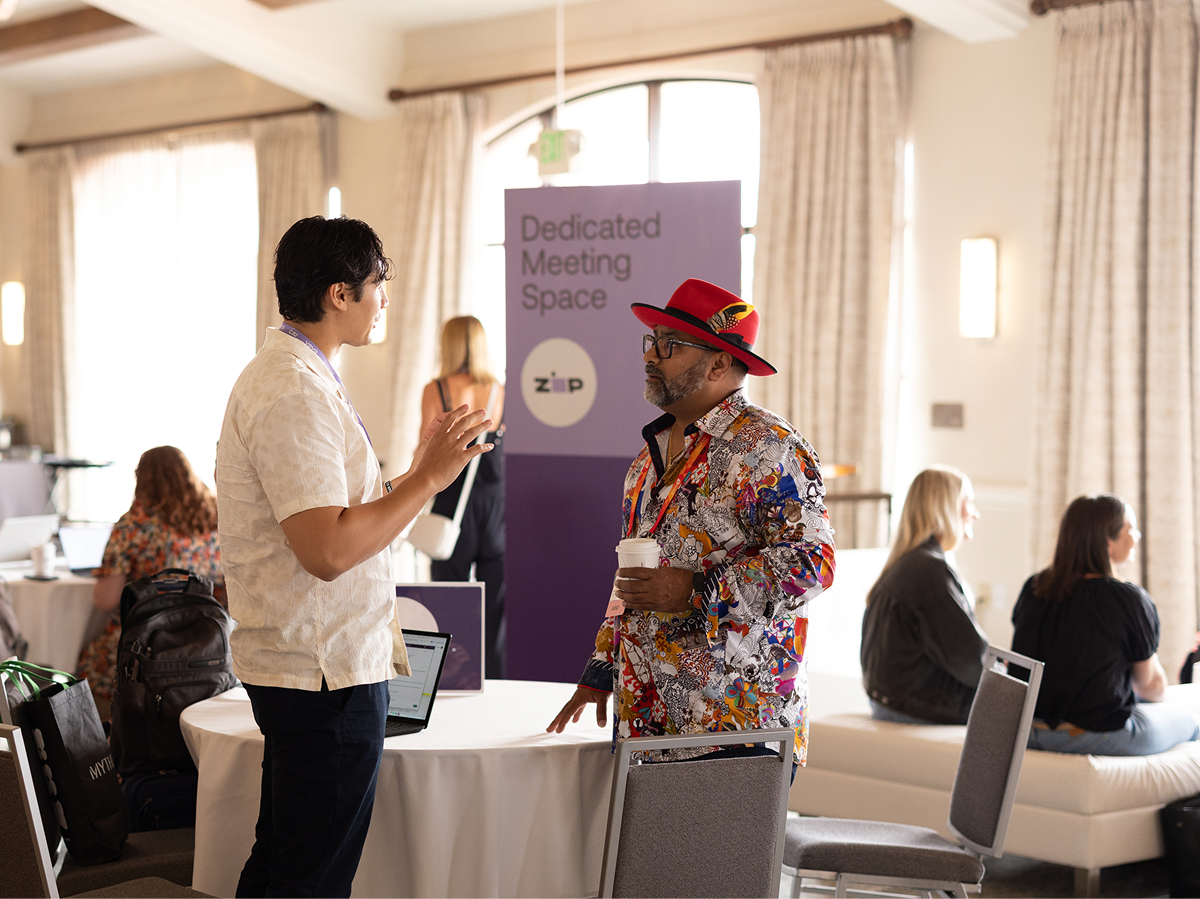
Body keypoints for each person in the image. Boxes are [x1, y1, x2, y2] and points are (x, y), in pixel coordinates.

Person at [216, 215, 492, 899]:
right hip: (322, 673)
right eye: (378, 286)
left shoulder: (301, 375)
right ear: (340, 293)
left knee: (285, 864)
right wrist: (425, 479)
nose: (385, 302)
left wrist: (419, 474)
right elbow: (329, 548)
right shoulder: (293, 389)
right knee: (310, 879)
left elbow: (346, 517)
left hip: (318, 668)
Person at [547, 278, 836, 766]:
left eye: (669, 345)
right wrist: (601, 667)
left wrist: (694, 590)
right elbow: (634, 580)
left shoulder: (766, 446)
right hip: (647, 722)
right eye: (652, 342)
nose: (651, 356)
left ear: (720, 362)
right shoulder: (648, 458)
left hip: (733, 726)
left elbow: (814, 563)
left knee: (718, 849)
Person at [1012, 494, 1200, 756]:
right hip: (1088, 736)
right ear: (1107, 542)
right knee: (1192, 721)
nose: (1137, 536)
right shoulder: (1127, 598)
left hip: (1027, 732)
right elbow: (1152, 686)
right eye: (1130, 528)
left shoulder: (1034, 587)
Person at [76, 445, 224, 716]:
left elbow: (105, 599)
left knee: (91, 661)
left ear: (140, 479)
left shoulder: (134, 524)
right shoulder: (215, 518)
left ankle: (108, 743)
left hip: (150, 639)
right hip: (205, 638)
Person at [859, 466, 988, 725]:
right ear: (946, 507)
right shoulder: (929, 570)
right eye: (968, 503)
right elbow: (971, 658)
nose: (975, 514)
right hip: (911, 705)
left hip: (890, 700)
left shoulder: (909, 563)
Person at [419, 315, 506, 678]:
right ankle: (495, 678)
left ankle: (453, 675)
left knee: (449, 594)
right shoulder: (499, 390)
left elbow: (424, 448)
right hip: (494, 504)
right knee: (496, 601)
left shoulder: (436, 389)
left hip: (452, 500)